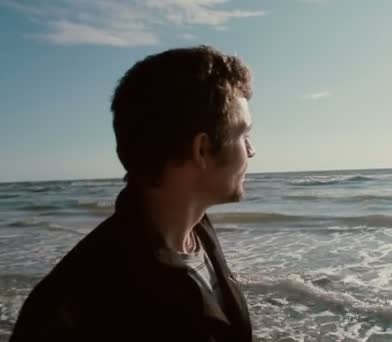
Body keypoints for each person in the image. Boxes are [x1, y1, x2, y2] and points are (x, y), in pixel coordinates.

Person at [10, 46, 256, 341]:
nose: (252, 150)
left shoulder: (197, 232)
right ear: (201, 150)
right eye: (243, 135)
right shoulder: (76, 306)